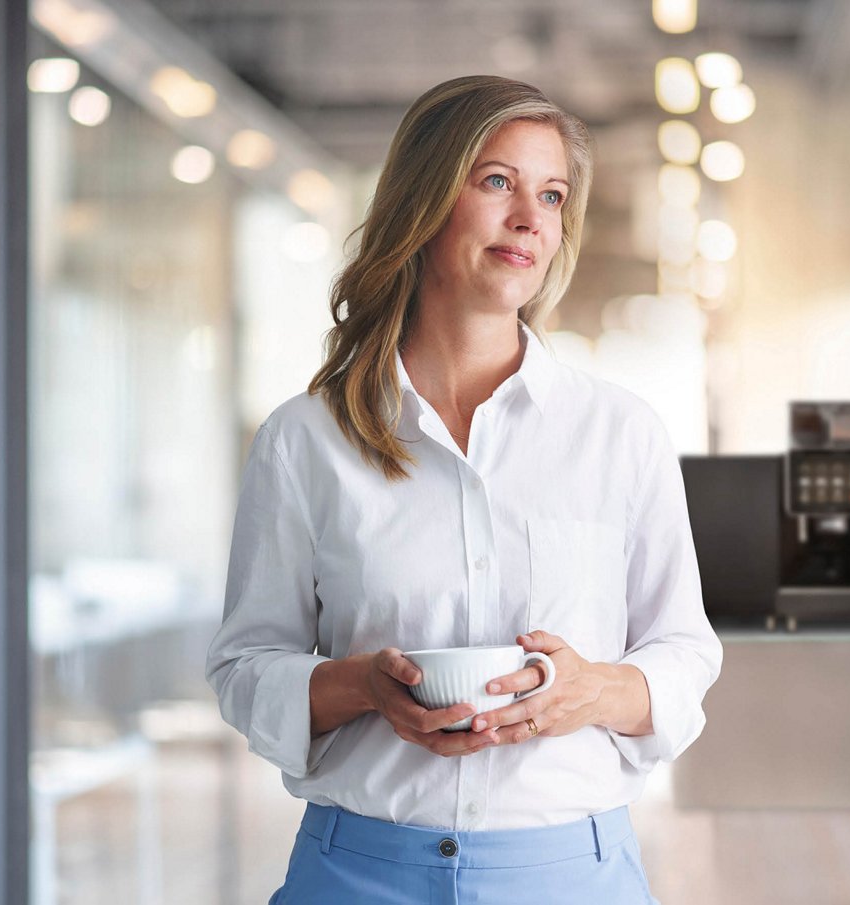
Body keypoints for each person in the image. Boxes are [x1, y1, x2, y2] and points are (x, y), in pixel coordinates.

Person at [206, 74, 723, 904]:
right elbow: (244, 665)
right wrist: (361, 685)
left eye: (551, 196)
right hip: (356, 872)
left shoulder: (620, 433)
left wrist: (594, 688)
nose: (530, 219)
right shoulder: (306, 439)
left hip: (571, 876)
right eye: (497, 182)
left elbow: (685, 653)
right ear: (424, 198)